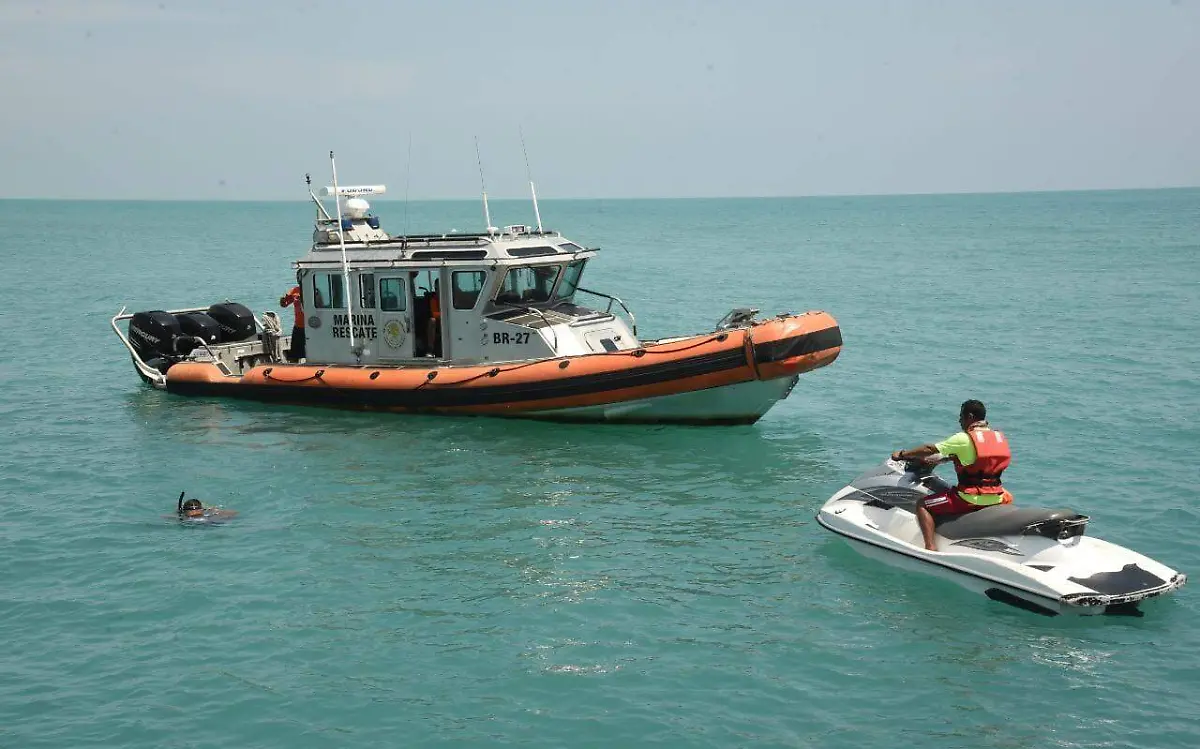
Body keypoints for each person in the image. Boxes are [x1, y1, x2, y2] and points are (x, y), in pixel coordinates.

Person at [891, 399, 1012, 551]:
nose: (959, 420)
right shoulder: (998, 438)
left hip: (969, 499)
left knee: (923, 504)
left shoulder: (964, 438)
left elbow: (930, 449)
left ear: (969, 416)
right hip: (997, 496)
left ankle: (930, 547)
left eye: (961, 417)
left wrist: (903, 454)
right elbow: (976, 460)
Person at [279, 285, 306, 361]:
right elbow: (284, 304)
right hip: (298, 326)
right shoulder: (295, 290)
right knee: (294, 355)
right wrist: (283, 299)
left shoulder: (313, 288)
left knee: (311, 352)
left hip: (311, 327)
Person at [426, 280, 441, 357]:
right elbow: (434, 314)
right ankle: (430, 349)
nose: (438, 290)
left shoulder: (453, 297)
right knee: (432, 321)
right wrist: (445, 315)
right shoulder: (433, 300)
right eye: (436, 288)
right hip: (440, 323)